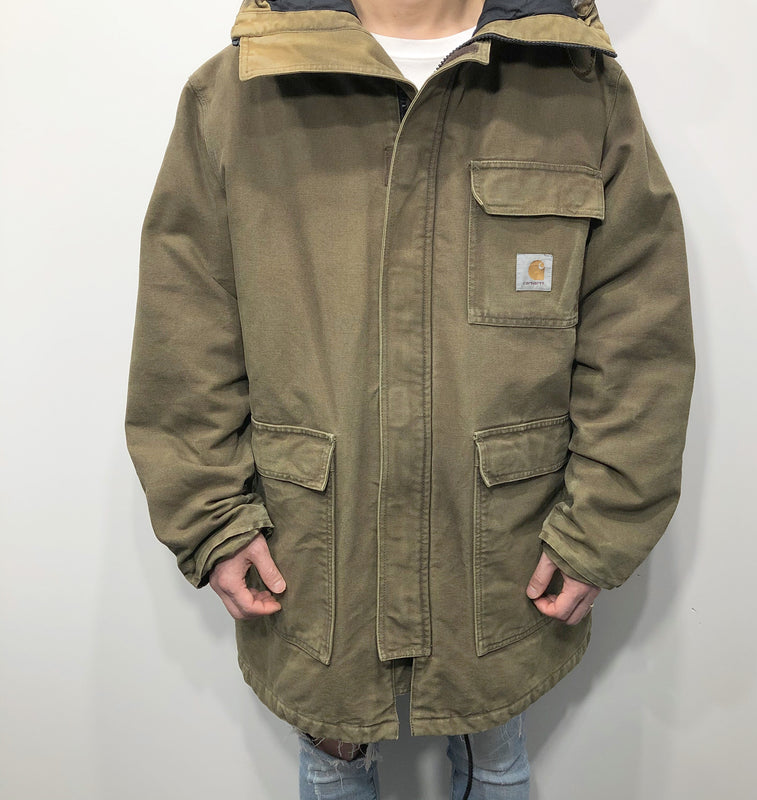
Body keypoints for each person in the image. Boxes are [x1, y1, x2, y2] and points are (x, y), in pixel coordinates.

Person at [125, 0, 695, 797]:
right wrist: (211, 517)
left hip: (506, 553)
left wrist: (603, 526)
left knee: (497, 754)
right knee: (333, 756)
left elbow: (637, 332)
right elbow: (185, 330)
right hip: (313, 554)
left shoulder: (575, 89)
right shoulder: (241, 93)